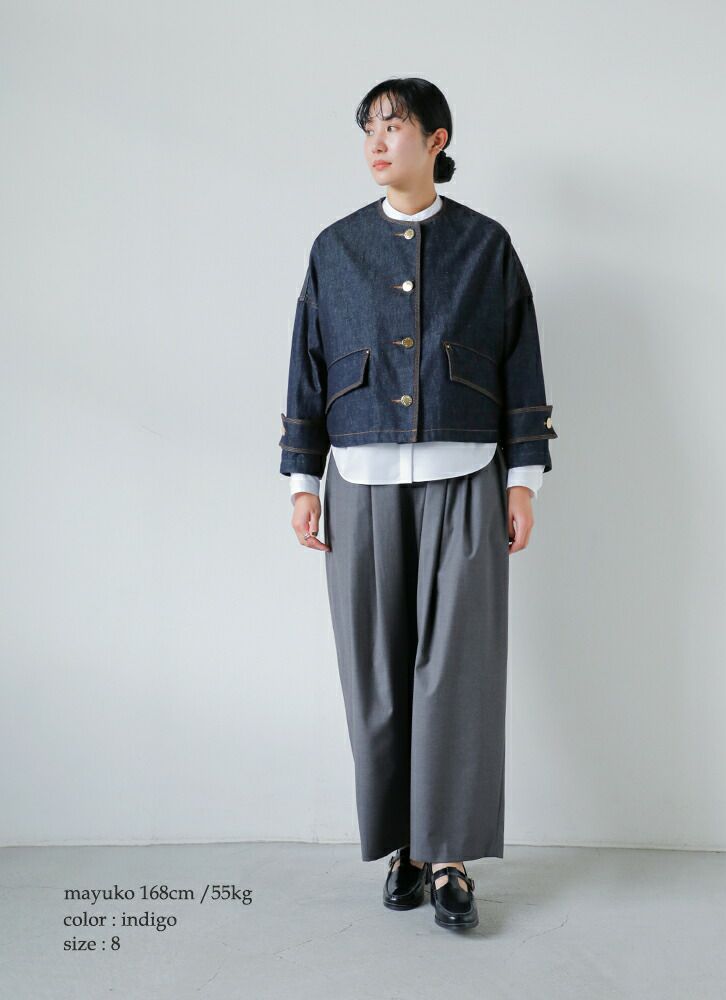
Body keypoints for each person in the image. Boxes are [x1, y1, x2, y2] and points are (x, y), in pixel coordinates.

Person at [278, 77, 557, 931]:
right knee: (377, 672)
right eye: (369, 127)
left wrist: (522, 478)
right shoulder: (335, 248)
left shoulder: (486, 246)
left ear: (436, 140)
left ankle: (449, 858)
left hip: (466, 472)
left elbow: (521, 361)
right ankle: (402, 844)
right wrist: (301, 481)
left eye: (394, 126)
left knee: (458, 673)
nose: (377, 141)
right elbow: (307, 365)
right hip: (359, 480)